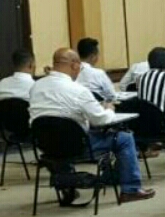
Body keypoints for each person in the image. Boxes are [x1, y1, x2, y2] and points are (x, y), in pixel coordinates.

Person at [28, 48, 155, 202]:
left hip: (46, 146)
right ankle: (131, 189)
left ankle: (66, 186)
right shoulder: (78, 90)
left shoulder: (36, 87)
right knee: (125, 138)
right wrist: (109, 109)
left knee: (59, 134)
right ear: (75, 65)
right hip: (77, 146)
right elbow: (101, 120)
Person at [75, 38, 117, 102]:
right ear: (92, 57)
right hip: (98, 106)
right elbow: (112, 95)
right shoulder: (99, 73)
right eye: (98, 55)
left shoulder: (71, 73)